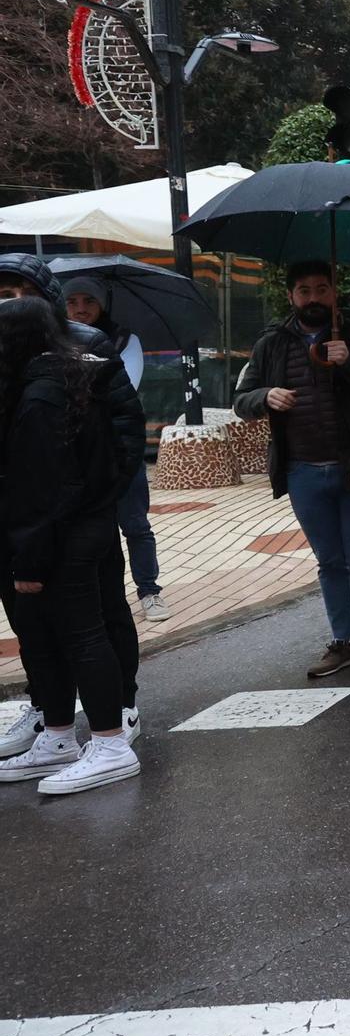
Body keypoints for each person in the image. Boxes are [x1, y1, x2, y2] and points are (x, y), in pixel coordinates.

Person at [0, 255, 145, 767]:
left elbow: (121, 433)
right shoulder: (16, 365)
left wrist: (95, 502)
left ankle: (115, 718)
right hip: (27, 522)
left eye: (20, 293)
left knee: (95, 619)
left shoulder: (82, 353)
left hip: (73, 517)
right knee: (36, 626)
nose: (10, 304)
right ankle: (53, 720)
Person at [234, 262, 350, 679]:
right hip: (301, 469)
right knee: (329, 560)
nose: (313, 298)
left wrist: (349, 363)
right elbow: (242, 399)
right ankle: (341, 641)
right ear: (291, 296)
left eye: (322, 289)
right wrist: (266, 395)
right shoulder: (272, 342)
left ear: (334, 293)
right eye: (304, 290)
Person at [63, 276, 166, 622]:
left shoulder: (124, 339)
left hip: (121, 447)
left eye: (88, 301)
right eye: (72, 301)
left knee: (135, 524)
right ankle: (103, 598)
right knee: (88, 530)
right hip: (74, 452)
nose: (80, 309)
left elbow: (125, 386)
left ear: (102, 304)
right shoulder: (51, 338)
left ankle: (150, 591)